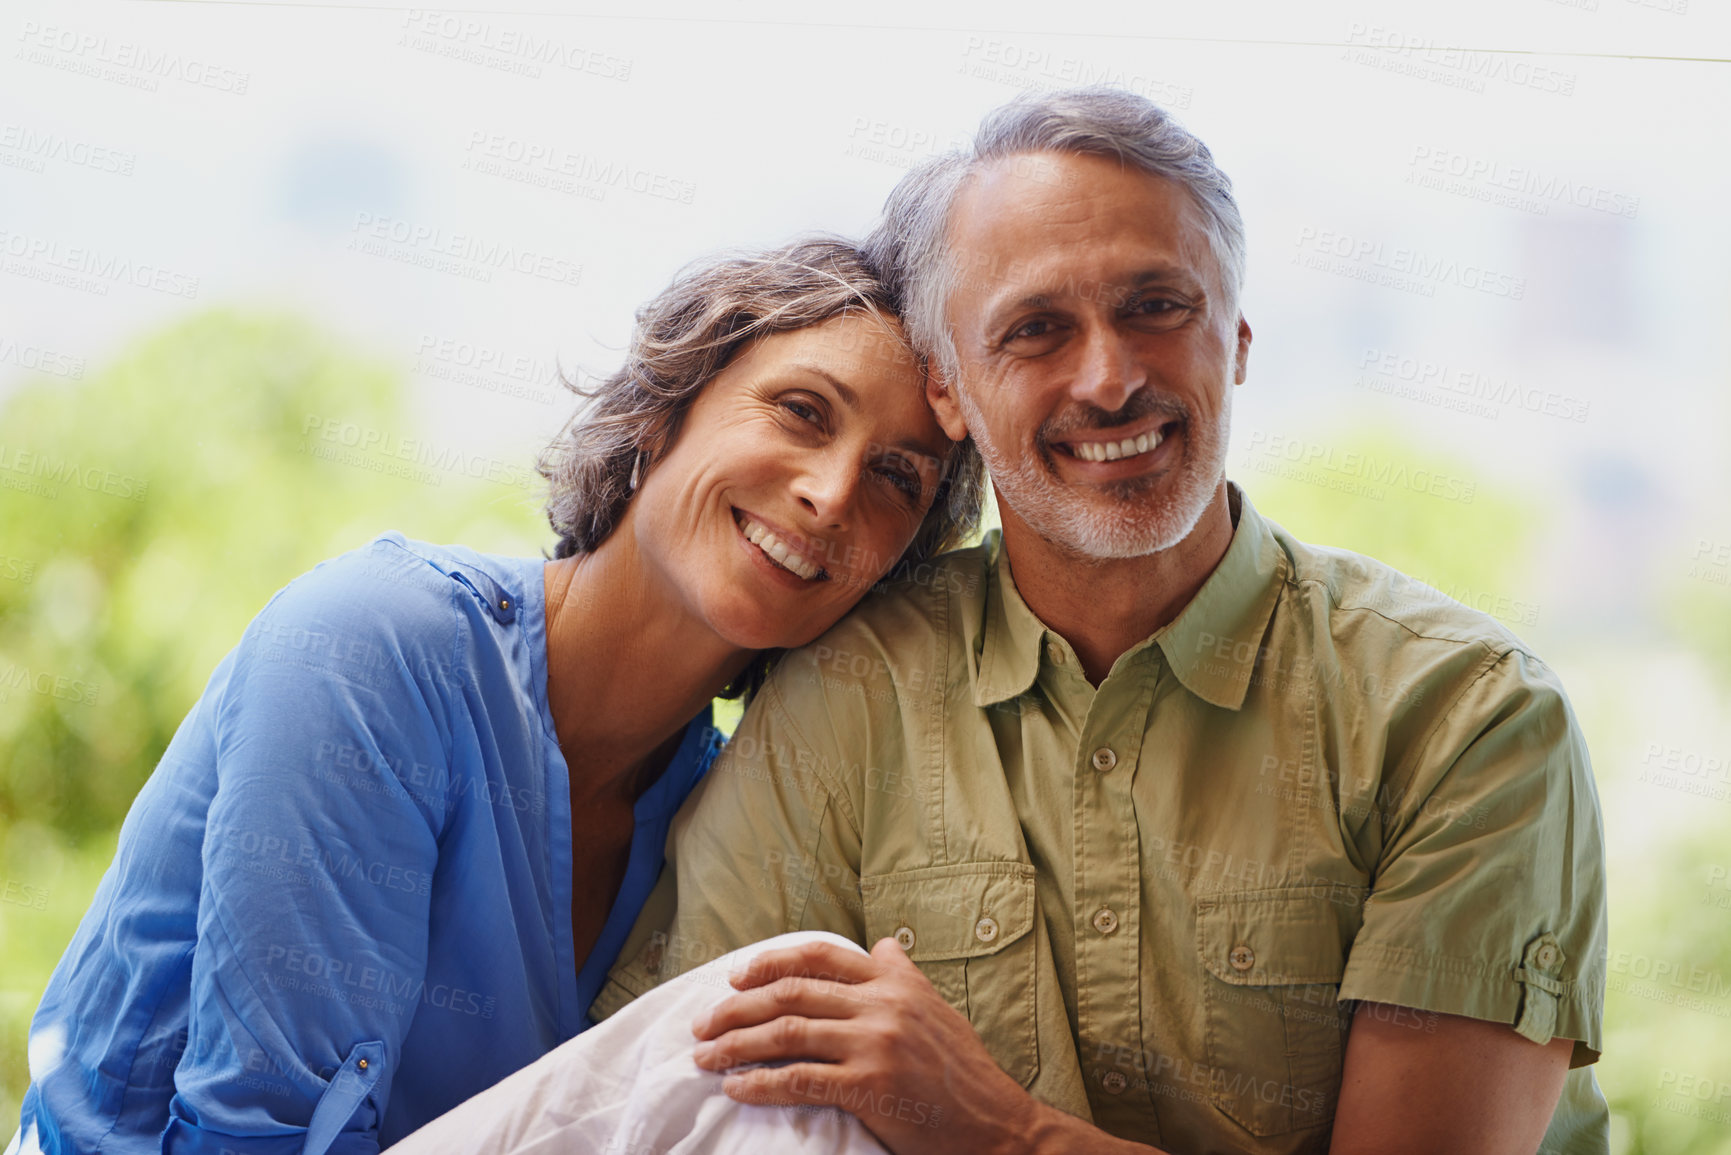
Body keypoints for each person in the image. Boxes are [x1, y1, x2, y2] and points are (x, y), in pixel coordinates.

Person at [582, 89, 1608, 1154]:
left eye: (1157, 306)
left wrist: (997, 1130)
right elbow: (672, 1109)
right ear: (949, 392)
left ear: (1238, 338)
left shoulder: (1463, 715)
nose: (1110, 378)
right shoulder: (850, 691)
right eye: (1035, 330)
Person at [8, 237, 982, 1154]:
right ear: (661, 407)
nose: (831, 490)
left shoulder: (727, 815)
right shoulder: (379, 644)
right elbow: (253, 1133)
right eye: (803, 411)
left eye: (897, 476)